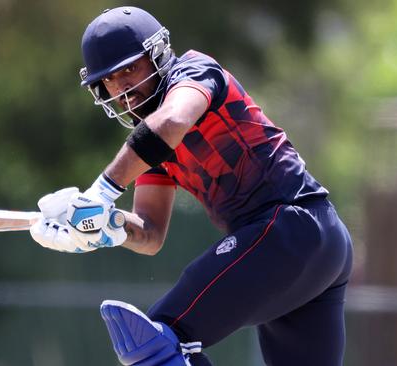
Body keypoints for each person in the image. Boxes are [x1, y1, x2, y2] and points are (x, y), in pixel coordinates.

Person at [30, 6, 352, 366]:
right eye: (109, 79)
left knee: (152, 342)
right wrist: (106, 225)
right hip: (310, 246)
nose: (122, 88)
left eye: (129, 69)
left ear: (157, 55)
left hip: (288, 230)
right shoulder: (152, 141)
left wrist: (101, 192)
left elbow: (174, 119)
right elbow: (150, 233)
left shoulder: (193, 72)